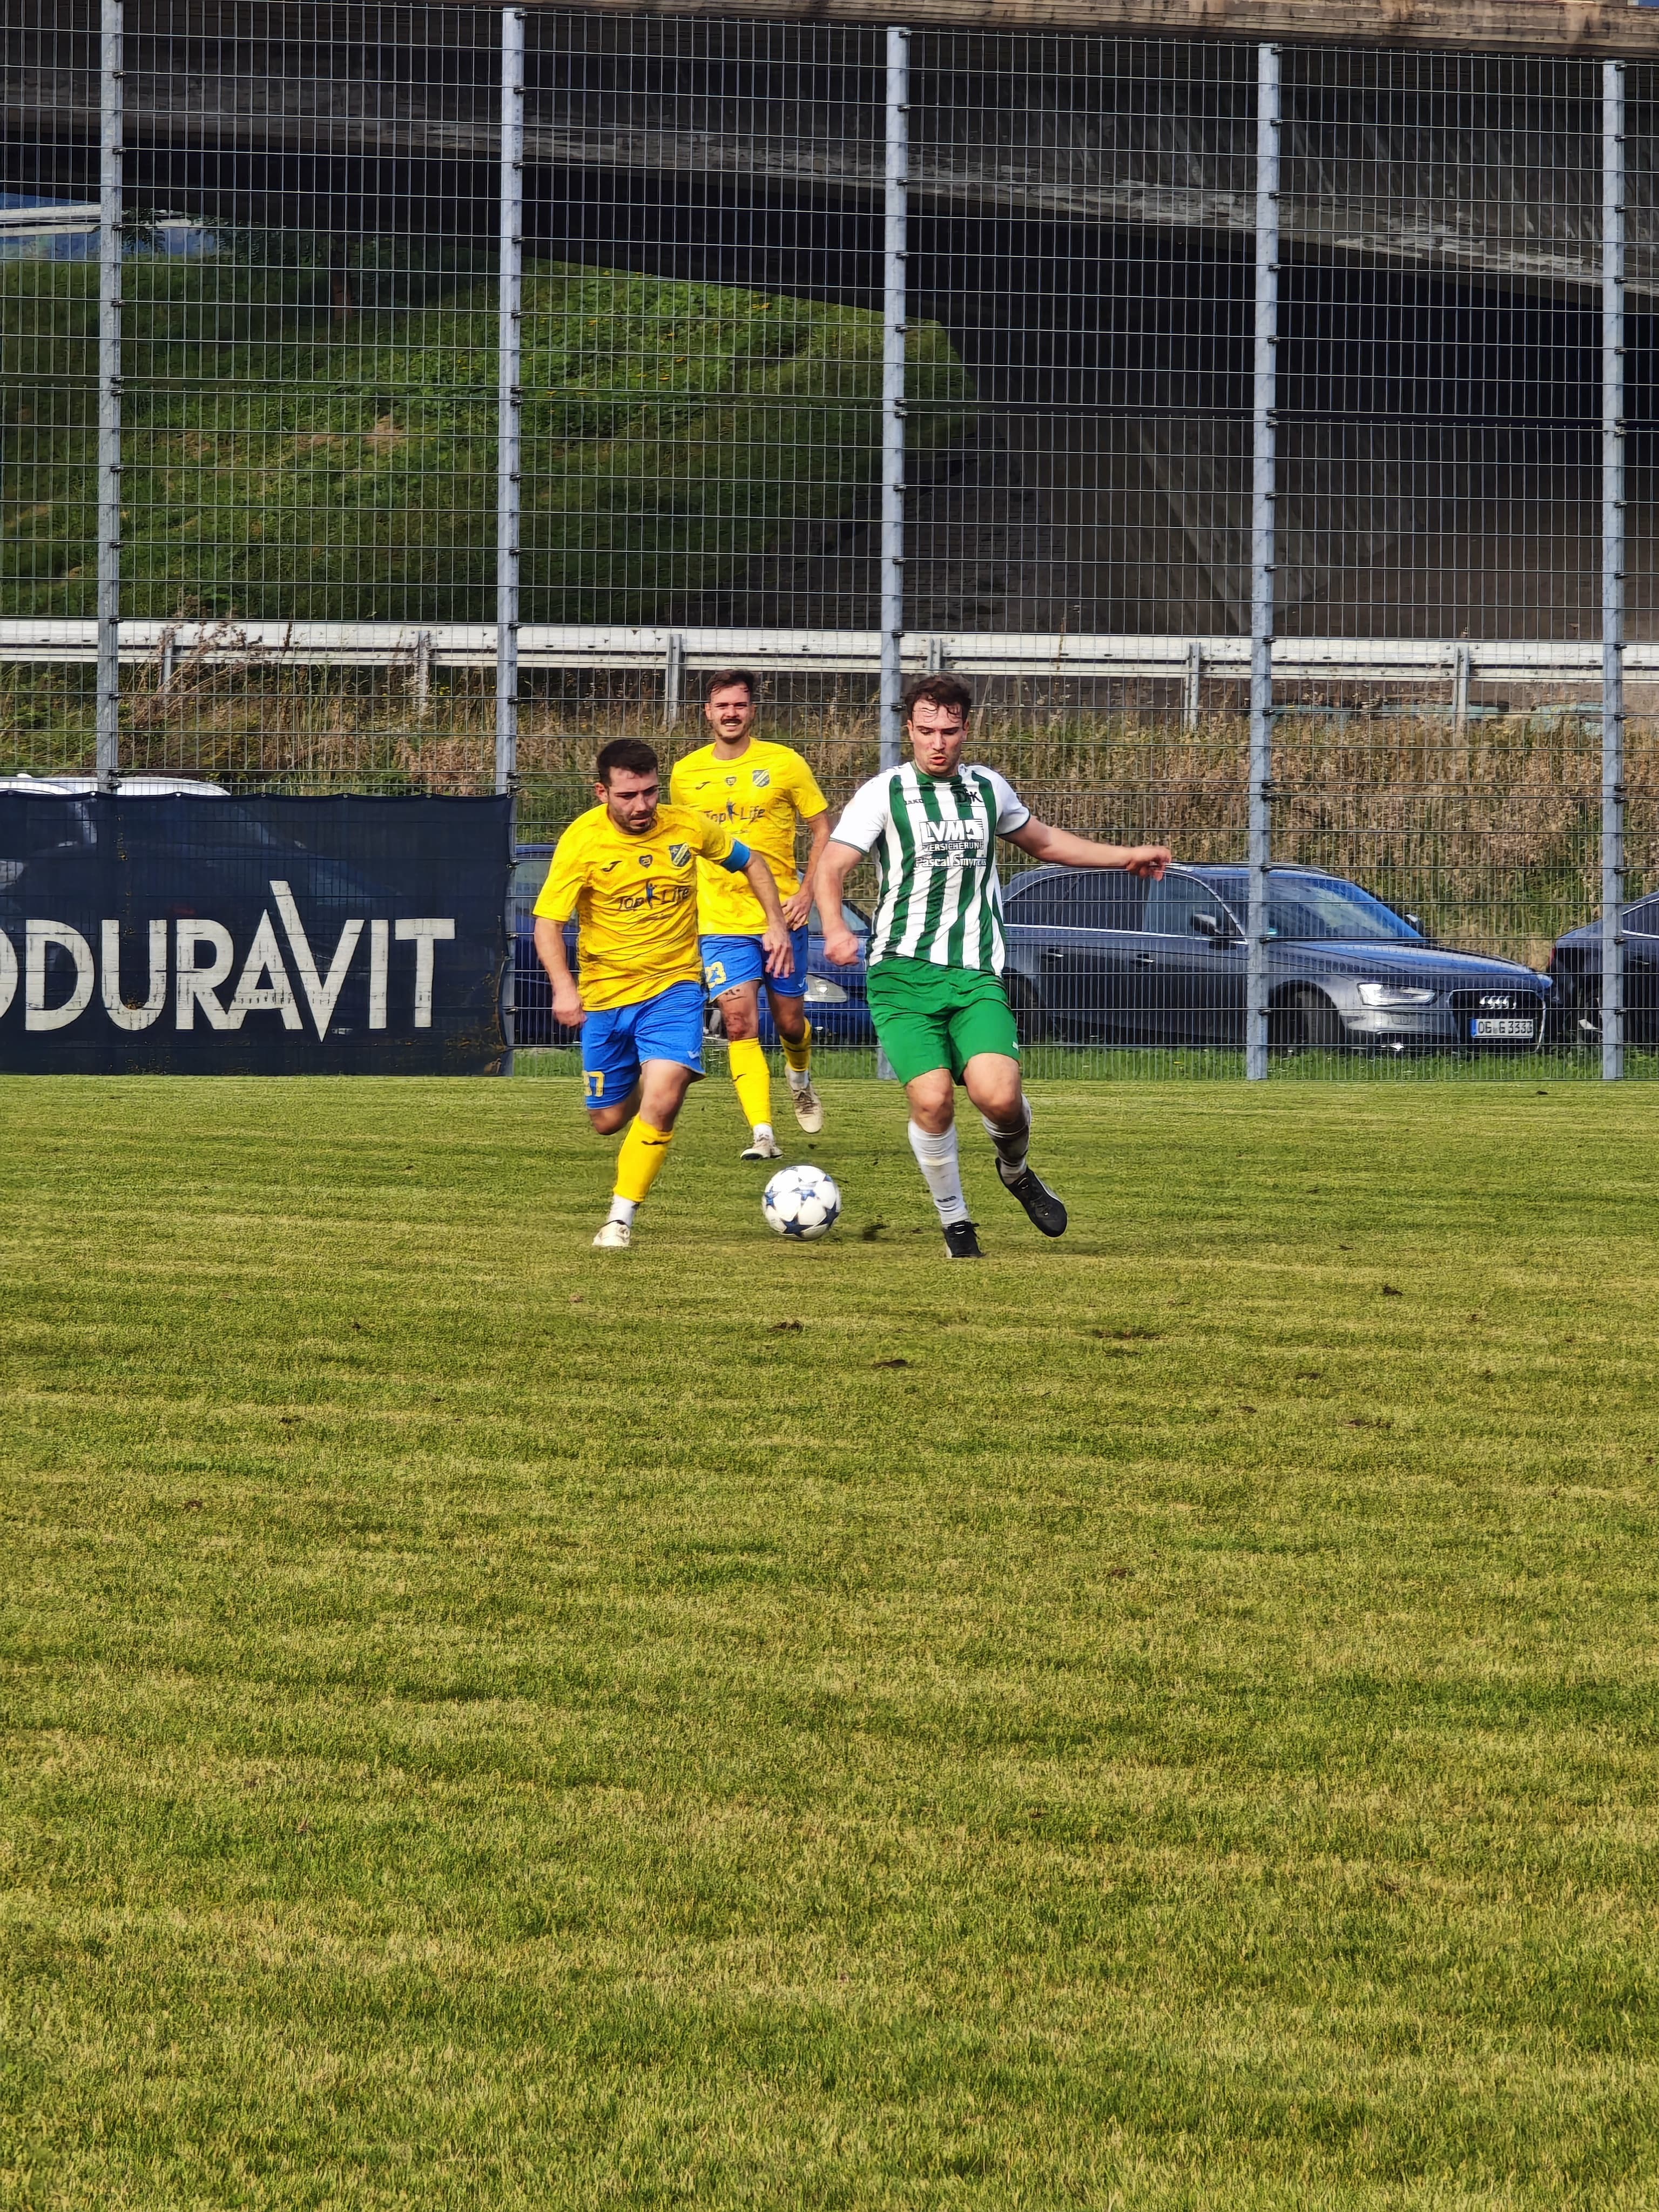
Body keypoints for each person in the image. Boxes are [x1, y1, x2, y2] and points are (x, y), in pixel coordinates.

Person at [817, 675, 1171, 1258]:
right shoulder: (884, 793)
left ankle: (1016, 1171)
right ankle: (956, 1223)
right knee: (933, 1100)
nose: (938, 743)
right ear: (909, 729)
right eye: (926, 731)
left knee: (1000, 1097)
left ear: (966, 730)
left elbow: (1046, 842)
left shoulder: (987, 789)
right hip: (901, 975)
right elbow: (831, 866)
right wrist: (834, 927)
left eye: (949, 731)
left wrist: (1125, 856)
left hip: (975, 972)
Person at [534, 736, 793, 1250]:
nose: (642, 806)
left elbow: (752, 862)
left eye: (650, 792)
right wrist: (564, 987)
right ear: (602, 793)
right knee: (607, 1120)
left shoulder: (687, 827)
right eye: (628, 796)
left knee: (664, 1096)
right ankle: (647, 1074)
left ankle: (620, 1218)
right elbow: (548, 923)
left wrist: (776, 923)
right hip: (606, 997)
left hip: (674, 988)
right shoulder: (582, 841)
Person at [669, 670, 832, 1159]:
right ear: (708, 713)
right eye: (723, 706)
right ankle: (763, 1133)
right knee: (739, 1024)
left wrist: (807, 893)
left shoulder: (785, 763)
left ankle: (800, 1078)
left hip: (782, 915)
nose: (731, 714)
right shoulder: (685, 775)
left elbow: (823, 831)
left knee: (789, 1023)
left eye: (739, 705)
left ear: (752, 711)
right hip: (721, 921)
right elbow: (681, 845)